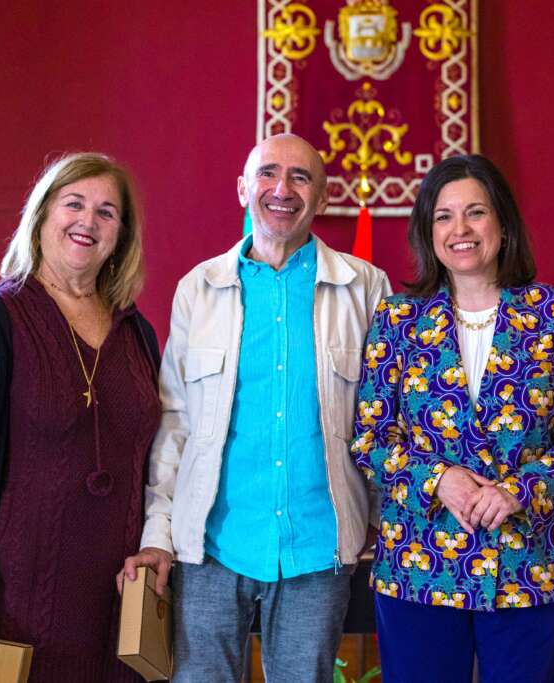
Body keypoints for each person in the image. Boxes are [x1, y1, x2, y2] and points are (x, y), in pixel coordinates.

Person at [118, 133, 391, 682]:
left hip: (318, 546)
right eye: (268, 174)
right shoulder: (198, 288)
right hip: (212, 547)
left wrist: (383, 521)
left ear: (323, 196)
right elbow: (175, 423)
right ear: (243, 188)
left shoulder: (365, 287)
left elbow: (385, 417)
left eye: (300, 177)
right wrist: (158, 534)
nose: (282, 189)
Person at [351, 154, 554, 682]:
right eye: (444, 216)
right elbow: (370, 438)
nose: (460, 229)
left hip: (528, 566)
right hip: (420, 567)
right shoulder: (397, 319)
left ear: (503, 223)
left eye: (476, 212)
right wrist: (438, 479)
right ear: (428, 232)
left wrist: (519, 490)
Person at [0, 153, 161, 681]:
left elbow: (157, 462)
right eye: (74, 204)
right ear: (42, 215)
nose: (88, 221)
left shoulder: (137, 334)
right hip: (13, 601)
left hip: (118, 604)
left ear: (121, 235)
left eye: (106, 212)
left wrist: (156, 546)